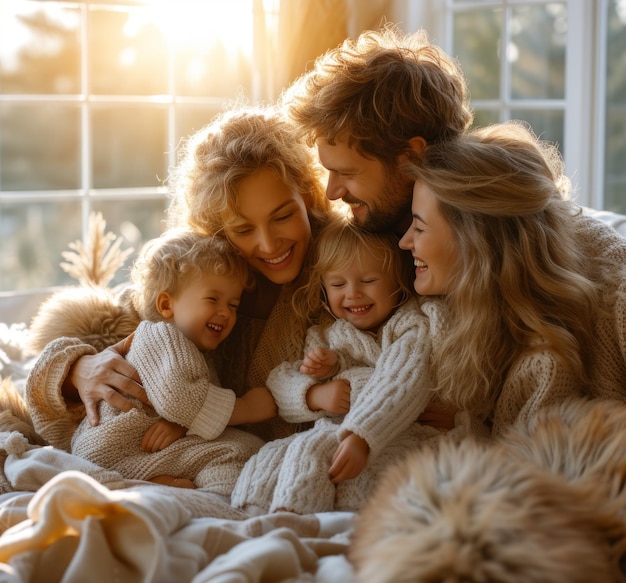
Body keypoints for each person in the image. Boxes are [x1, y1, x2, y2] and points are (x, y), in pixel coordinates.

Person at [28, 105, 338, 443]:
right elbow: (116, 321)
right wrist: (78, 370)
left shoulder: (344, 276)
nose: (268, 244)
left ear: (307, 196)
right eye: (244, 228)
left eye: (282, 216)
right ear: (220, 230)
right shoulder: (209, 274)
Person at [396, 120, 626, 434]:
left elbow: (525, 469)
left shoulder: (544, 363)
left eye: (420, 228)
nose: (404, 242)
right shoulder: (458, 313)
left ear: (475, 245)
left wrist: (471, 431)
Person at [230, 217, 456, 514]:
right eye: (338, 284)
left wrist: (362, 435)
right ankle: (249, 513)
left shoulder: (410, 326)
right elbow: (279, 382)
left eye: (368, 281)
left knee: (317, 451)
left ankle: (298, 518)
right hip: (337, 431)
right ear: (324, 289)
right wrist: (314, 394)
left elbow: (400, 380)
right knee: (271, 453)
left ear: (398, 283)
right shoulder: (324, 335)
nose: (353, 293)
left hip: (392, 431)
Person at [28, 230, 275, 493]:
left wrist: (182, 423)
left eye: (234, 304)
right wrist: (246, 408)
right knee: (243, 448)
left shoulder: (197, 352)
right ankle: (208, 500)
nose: (225, 312)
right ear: (166, 305)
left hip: (130, 449)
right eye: (213, 299)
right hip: (115, 443)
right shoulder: (160, 336)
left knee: (233, 452)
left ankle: (168, 487)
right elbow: (179, 398)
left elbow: (183, 403)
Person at [281, 25, 474, 234]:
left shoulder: (473, 255)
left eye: (347, 173)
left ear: (412, 156)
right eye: (330, 171)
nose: (332, 193)